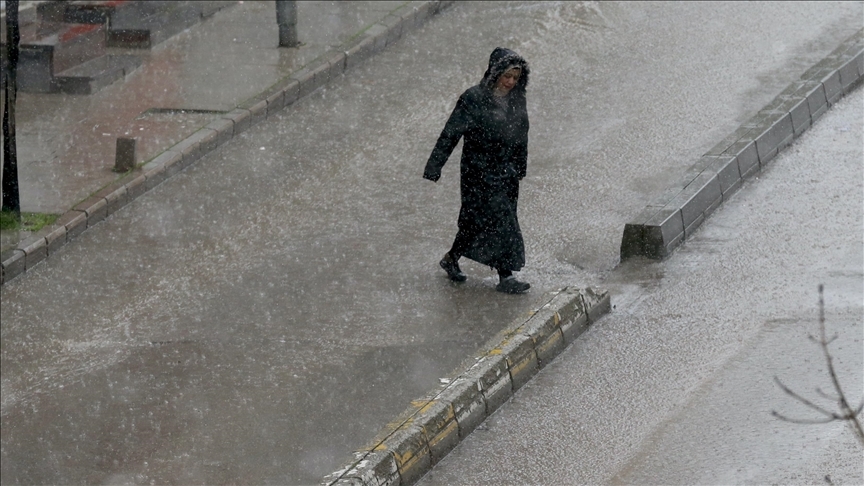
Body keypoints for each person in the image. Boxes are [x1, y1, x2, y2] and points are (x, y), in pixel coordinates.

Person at [423, 47, 531, 294]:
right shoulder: (473, 99)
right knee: (494, 220)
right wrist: (434, 166)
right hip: (478, 171)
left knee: (483, 221)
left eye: (515, 78)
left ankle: (451, 258)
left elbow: (522, 135)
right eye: (507, 76)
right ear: (495, 74)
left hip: (506, 172)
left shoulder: (517, 101)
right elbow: (451, 133)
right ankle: (506, 276)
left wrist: (519, 166)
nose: (511, 82)